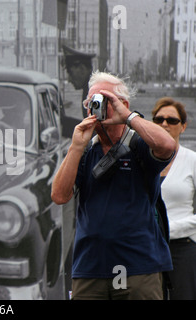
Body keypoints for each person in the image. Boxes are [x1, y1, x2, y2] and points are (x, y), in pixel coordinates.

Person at [51, 71, 176, 300]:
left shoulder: (139, 144)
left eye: (103, 100)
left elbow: (167, 145)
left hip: (138, 268)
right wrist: (76, 147)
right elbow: (59, 195)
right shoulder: (86, 150)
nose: (95, 107)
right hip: (90, 269)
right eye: (91, 102)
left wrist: (128, 117)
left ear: (123, 104)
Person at [152, 97, 196, 300]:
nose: (164, 124)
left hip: (182, 248)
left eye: (172, 120)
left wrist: (172, 228)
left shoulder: (192, 161)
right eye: (158, 119)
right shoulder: (141, 160)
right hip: (147, 247)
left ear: (183, 126)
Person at [62, 45, 95, 118]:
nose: (69, 80)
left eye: (71, 73)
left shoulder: (94, 93)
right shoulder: (90, 88)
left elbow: (95, 128)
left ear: (82, 69)